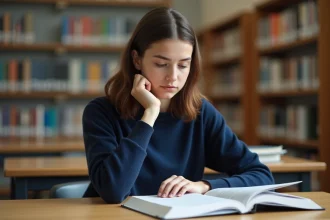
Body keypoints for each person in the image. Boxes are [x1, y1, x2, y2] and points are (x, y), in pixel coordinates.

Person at [82, 7, 274, 204]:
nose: (173, 77)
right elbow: (113, 191)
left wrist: (204, 186)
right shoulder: (100, 112)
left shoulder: (200, 113)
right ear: (137, 59)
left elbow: (261, 174)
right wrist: (150, 114)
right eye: (161, 64)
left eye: (183, 65)